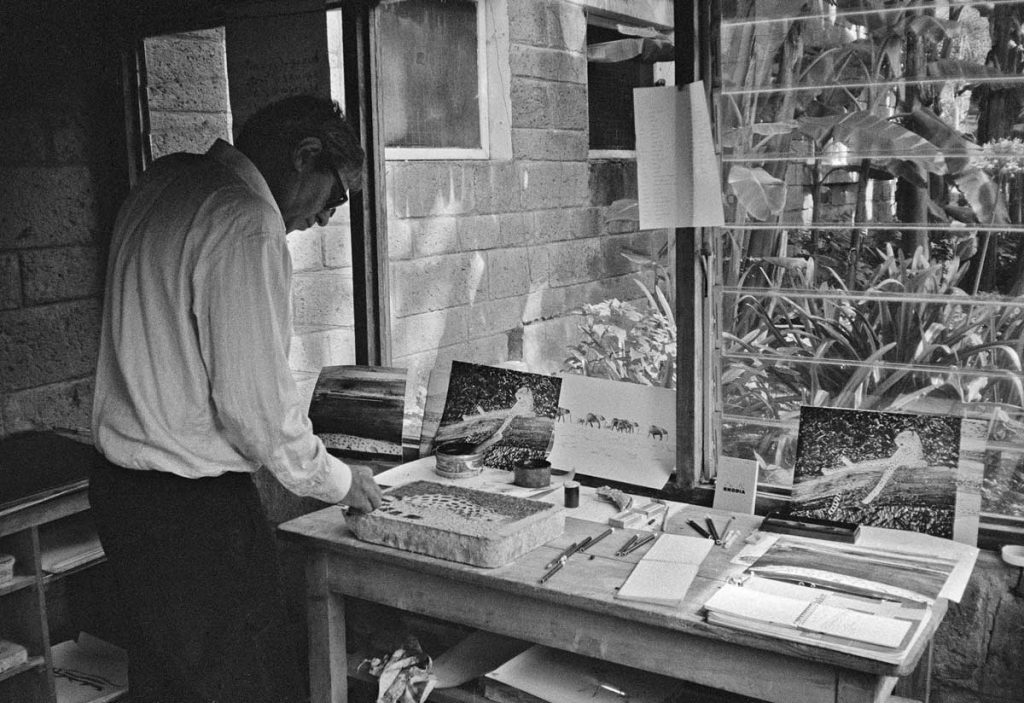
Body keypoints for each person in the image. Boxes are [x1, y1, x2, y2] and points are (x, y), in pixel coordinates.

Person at [89, 95, 383, 703]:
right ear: (304, 156)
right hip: (191, 511)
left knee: (165, 680)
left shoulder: (164, 180)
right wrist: (338, 481)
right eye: (336, 195)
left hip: (123, 493)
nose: (329, 217)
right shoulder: (247, 220)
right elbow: (256, 412)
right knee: (240, 681)